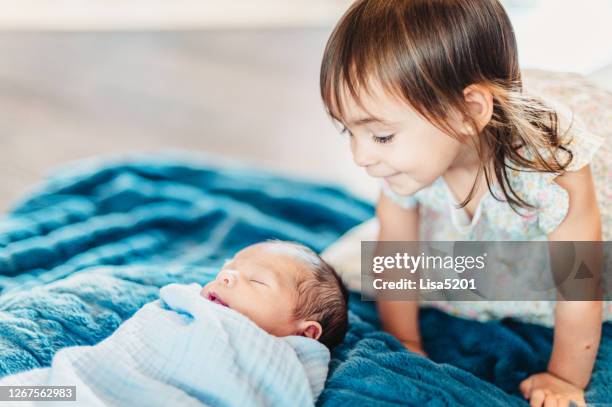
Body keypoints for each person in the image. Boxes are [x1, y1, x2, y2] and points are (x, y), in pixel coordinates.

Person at [319, 1, 611, 406]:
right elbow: (396, 254)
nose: (360, 156)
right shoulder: (406, 163)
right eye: (347, 131)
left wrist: (565, 378)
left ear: (467, 112)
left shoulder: (552, 166)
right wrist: (404, 340)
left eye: (380, 136)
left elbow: (581, 280)